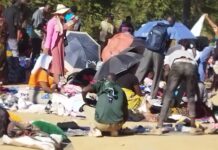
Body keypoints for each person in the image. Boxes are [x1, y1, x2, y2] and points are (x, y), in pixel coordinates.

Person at [155, 39, 199, 134]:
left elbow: (166, 71)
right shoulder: (190, 54)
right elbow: (195, 80)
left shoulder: (170, 52)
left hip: (177, 64)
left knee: (168, 96)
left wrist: (168, 84)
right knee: (191, 97)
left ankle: (160, 124)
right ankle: (193, 125)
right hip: (192, 65)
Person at [134, 16, 175, 99]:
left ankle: (133, 88)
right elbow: (168, 42)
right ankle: (152, 95)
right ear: (172, 22)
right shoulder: (170, 29)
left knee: (141, 70)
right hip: (158, 53)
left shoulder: (156, 24)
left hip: (148, 49)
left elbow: (148, 37)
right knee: (157, 73)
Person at [43, 4, 70, 84]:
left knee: (59, 64)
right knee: (55, 65)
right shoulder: (52, 22)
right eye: (63, 13)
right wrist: (46, 49)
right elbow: (49, 37)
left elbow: (64, 31)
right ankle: (57, 84)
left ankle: (57, 83)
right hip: (54, 46)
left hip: (60, 45)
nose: (65, 15)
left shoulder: (62, 21)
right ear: (59, 13)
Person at [0, 4, 7, 83]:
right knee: (2, 62)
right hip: (2, 43)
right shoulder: (3, 21)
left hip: (2, 43)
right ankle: (1, 79)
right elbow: (6, 32)